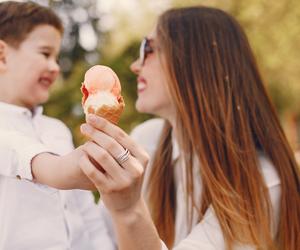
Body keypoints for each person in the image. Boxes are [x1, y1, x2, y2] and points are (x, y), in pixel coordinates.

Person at [78, 6, 300, 250]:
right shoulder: (146, 138)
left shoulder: (261, 183)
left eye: (148, 49)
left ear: (198, 61)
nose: (135, 66)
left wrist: (129, 210)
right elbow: (96, 239)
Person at [0, 1, 115, 249]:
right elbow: (13, 148)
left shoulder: (57, 130)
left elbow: (87, 216)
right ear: (2, 55)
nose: (55, 67)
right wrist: (61, 169)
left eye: (57, 57)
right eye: (45, 53)